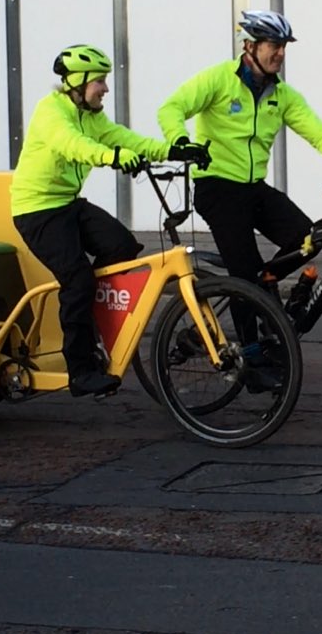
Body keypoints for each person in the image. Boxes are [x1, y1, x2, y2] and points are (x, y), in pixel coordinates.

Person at [157, 10, 322, 297]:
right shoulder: (219, 79)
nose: (280, 53)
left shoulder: (282, 95)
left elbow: (321, 135)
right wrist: (181, 141)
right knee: (244, 278)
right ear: (250, 45)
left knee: (307, 239)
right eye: (274, 45)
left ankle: (264, 287)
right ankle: (247, 335)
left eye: (283, 46)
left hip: (253, 188)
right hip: (217, 187)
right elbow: (171, 108)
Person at [11, 44, 205, 398]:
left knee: (122, 246)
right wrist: (112, 157)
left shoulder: (92, 116)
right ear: (78, 83)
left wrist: (175, 150)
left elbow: (126, 139)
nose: (105, 88)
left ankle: (94, 319)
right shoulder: (51, 112)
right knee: (77, 280)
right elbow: (73, 145)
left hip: (67, 203)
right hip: (36, 210)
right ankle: (81, 371)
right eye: (99, 81)